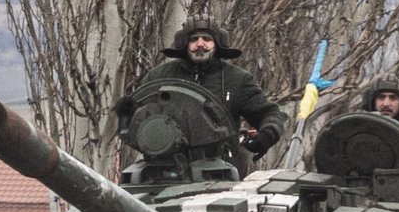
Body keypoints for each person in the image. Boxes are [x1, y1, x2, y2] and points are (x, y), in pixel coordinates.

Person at [117, 16, 286, 171]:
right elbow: (137, 120)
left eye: (207, 39)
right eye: (193, 39)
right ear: (184, 43)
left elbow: (268, 112)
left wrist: (267, 134)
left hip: (219, 171)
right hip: (163, 170)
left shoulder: (237, 80)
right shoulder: (159, 77)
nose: (200, 44)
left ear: (217, 43)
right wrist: (127, 112)